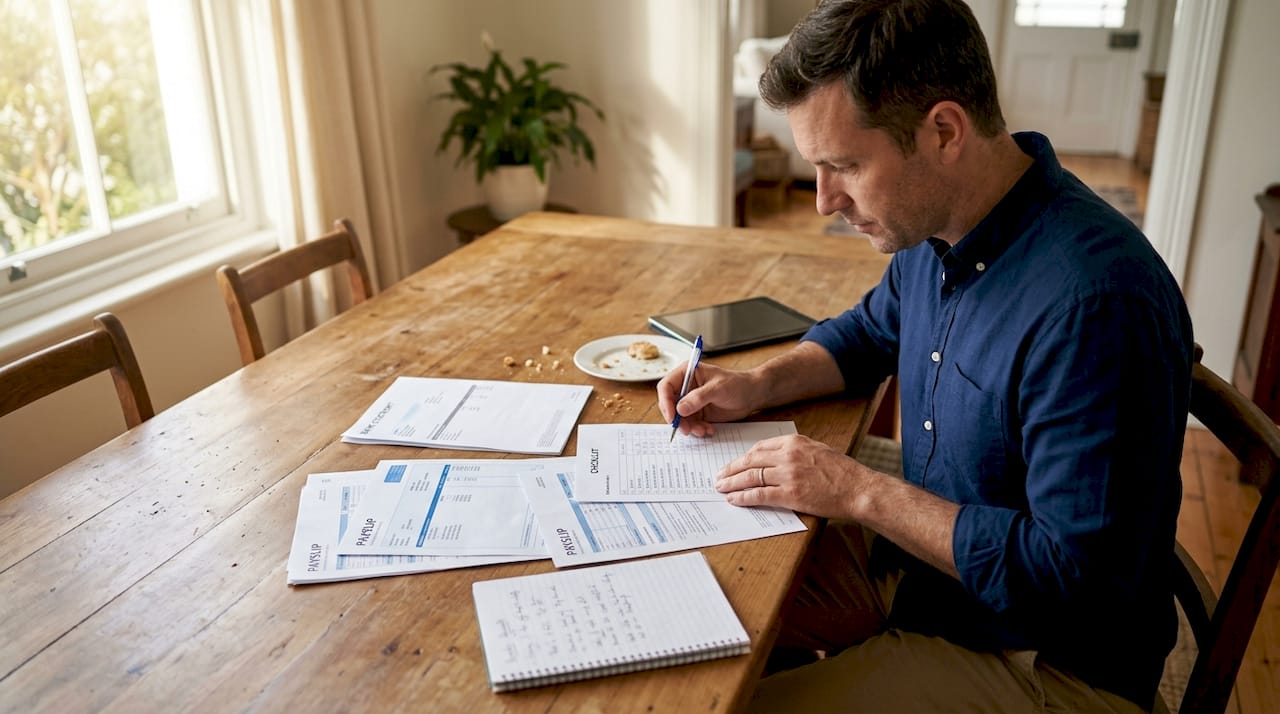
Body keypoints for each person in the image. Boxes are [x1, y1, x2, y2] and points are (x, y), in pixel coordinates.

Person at [656, 0, 1194, 711]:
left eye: (843, 165)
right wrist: (755, 386)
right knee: (698, 610)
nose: (823, 201)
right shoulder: (939, 225)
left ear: (943, 131)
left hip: (1043, 660)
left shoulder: (1094, 305)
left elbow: (1072, 579)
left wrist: (857, 491)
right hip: (930, 583)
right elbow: (868, 334)